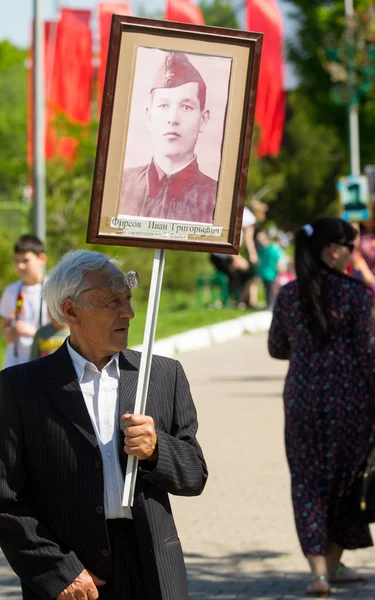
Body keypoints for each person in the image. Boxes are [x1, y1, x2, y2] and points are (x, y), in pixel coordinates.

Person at [0, 249, 207, 600]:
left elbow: (194, 475)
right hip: (72, 573)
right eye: (111, 301)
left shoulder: (161, 375)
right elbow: (6, 499)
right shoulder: (20, 388)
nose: (128, 312)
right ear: (70, 310)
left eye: (127, 299)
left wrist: (157, 450)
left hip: (151, 568)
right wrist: (55, 571)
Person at [268, 217, 375, 597]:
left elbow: (276, 348)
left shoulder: (289, 294)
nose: (354, 254)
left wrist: (305, 348)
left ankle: (320, 573)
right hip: (350, 399)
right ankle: (334, 564)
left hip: (303, 398)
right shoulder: (354, 293)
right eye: (350, 246)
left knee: (307, 482)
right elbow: (370, 353)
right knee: (346, 481)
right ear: (333, 249)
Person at [119, 51, 217, 224]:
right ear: (149, 116)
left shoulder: (217, 195)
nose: (173, 119)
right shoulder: (122, 184)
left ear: (203, 119)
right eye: (164, 105)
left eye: (186, 107)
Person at [0, 234, 49, 368]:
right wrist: (8, 333)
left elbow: (63, 330)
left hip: (45, 363)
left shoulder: (53, 289)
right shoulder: (11, 290)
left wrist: (33, 332)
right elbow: (5, 326)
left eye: (25, 260)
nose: (20, 266)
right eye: (16, 261)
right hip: (15, 363)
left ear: (41, 259)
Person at [256, 231, 285, 309]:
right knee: (269, 290)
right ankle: (270, 305)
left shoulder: (269, 249)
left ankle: (269, 305)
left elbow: (260, 260)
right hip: (268, 273)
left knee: (269, 290)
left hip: (267, 273)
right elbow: (278, 262)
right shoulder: (269, 250)